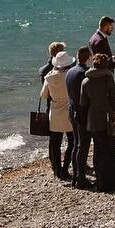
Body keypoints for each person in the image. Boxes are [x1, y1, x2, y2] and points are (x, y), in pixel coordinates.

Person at [79, 53, 115, 191]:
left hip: (93, 120)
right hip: (107, 118)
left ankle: (101, 182)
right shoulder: (108, 78)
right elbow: (114, 98)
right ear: (105, 65)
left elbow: (83, 102)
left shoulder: (86, 81)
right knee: (111, 149)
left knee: (98, 151)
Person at [38, 50, 74, 180]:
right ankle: (65, 169)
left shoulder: (49, 77)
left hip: (55, 112)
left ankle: (57, 171)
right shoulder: (70, 75)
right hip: (69, 111)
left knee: (55, 144)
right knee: (72, 142)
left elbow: (43, 95)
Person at [64, 46, 91, 187]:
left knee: (75, 144)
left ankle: (75, 176)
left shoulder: (70, 71)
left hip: (71, 111)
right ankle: (81, 178)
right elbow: (87, 96)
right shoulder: (84, 73)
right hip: (81, 114)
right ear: (88, 58)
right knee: (83, 146)